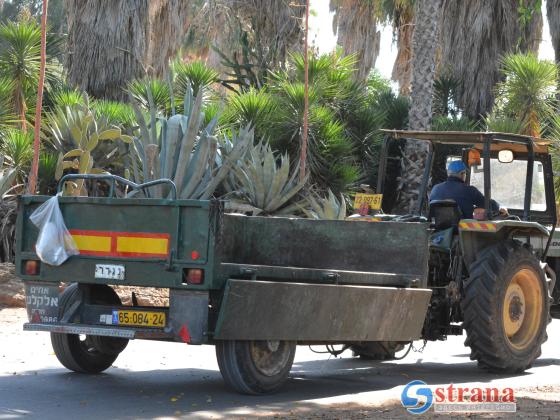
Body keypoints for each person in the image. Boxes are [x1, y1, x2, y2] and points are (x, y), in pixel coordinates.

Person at [429, 160, 502, 220]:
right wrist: (498, 207)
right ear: (462, 174)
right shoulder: (469, 190)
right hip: (463, 230)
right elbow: (488, 204)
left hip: (439, 229)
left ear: (448, 173)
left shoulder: (435, 189)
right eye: (465, 173)